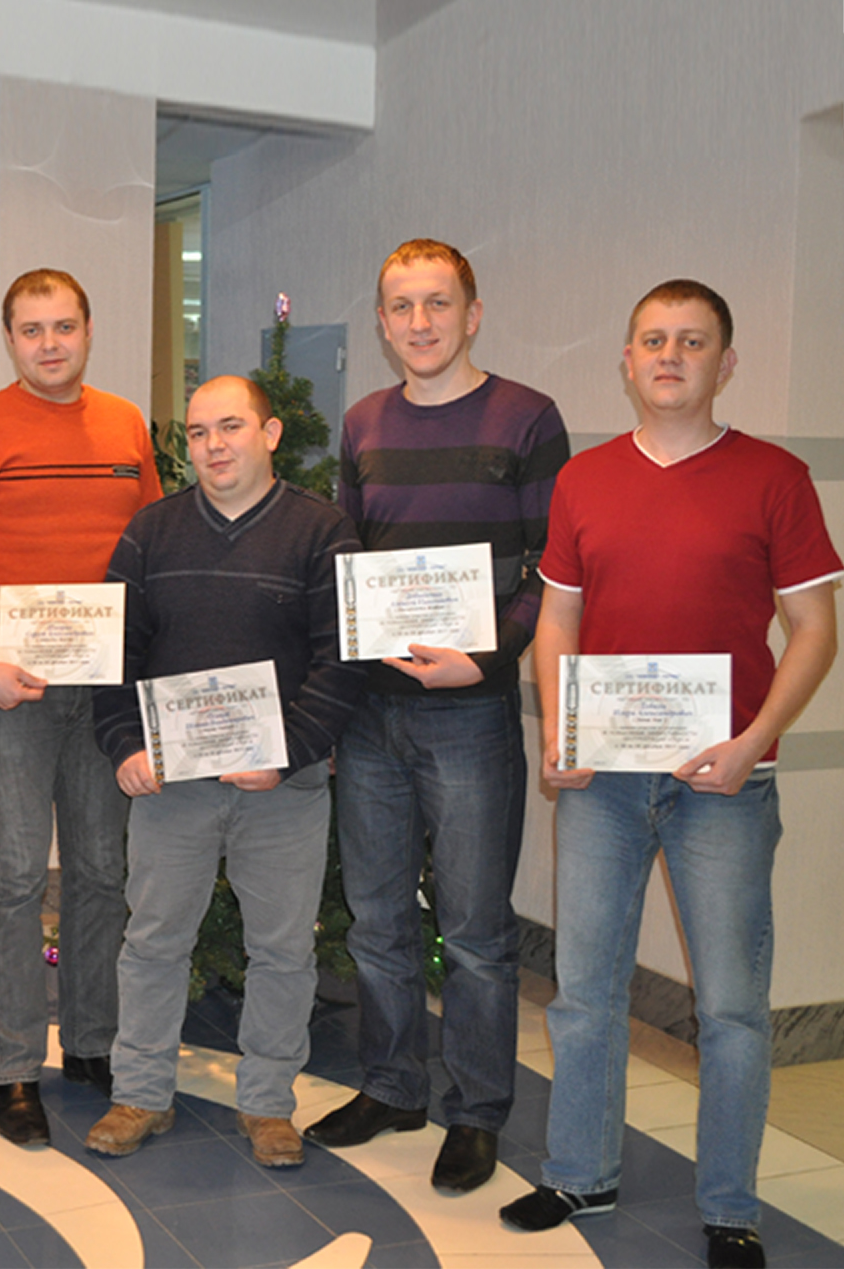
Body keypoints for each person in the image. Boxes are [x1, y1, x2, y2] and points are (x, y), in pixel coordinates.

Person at [500, 281, 840, 1269]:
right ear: (626, 357)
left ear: (723, 364)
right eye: (653, 338)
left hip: (722, 781)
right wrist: (559, 731)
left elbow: (814, 630)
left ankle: (730, 1203)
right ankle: (579, 1171)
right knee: (582, 988)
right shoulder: (585, 481)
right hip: (602, 778)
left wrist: (753, 741)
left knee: (731, 1004)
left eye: (692, 341)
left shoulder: (773, 477)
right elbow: (557, 618)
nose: (670, 354)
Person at [305, 239, 569, 1194]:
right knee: (377, 917)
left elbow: (553, 570)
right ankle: (391, 1085)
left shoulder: (528, 418)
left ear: (473, 312)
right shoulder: (365, 422)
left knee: (474, 928)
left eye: (437, 304)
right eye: (401, 307)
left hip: (472, 715)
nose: (420, 323)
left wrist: (488, 658)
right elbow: (347, 564)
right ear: (381, 322)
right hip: (373, 714)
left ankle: (476, 1109)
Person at [86, 376, 366, 1164]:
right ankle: (140, 1093)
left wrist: (286, 753)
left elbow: (341, 660)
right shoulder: (152, 532)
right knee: (152, 942)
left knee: (283, 950)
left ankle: (269, 1103)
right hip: (172, 787)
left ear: (271, 434)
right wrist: (124, 746)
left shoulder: (323, 531)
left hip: (284, 788)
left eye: (231, 427)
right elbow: (117, 652)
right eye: (200, 430)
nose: (213, 445)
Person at [0, 268, 161, 1145]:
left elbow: (153, 547)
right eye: (31, 330)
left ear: (88, 331)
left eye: (64, 326)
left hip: (105, 691)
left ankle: (93, 1043)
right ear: (10, 339)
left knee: (102, 870)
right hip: (9, 693)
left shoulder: (125, 425)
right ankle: (14, 1066)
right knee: (16, 879)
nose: (49, 343)